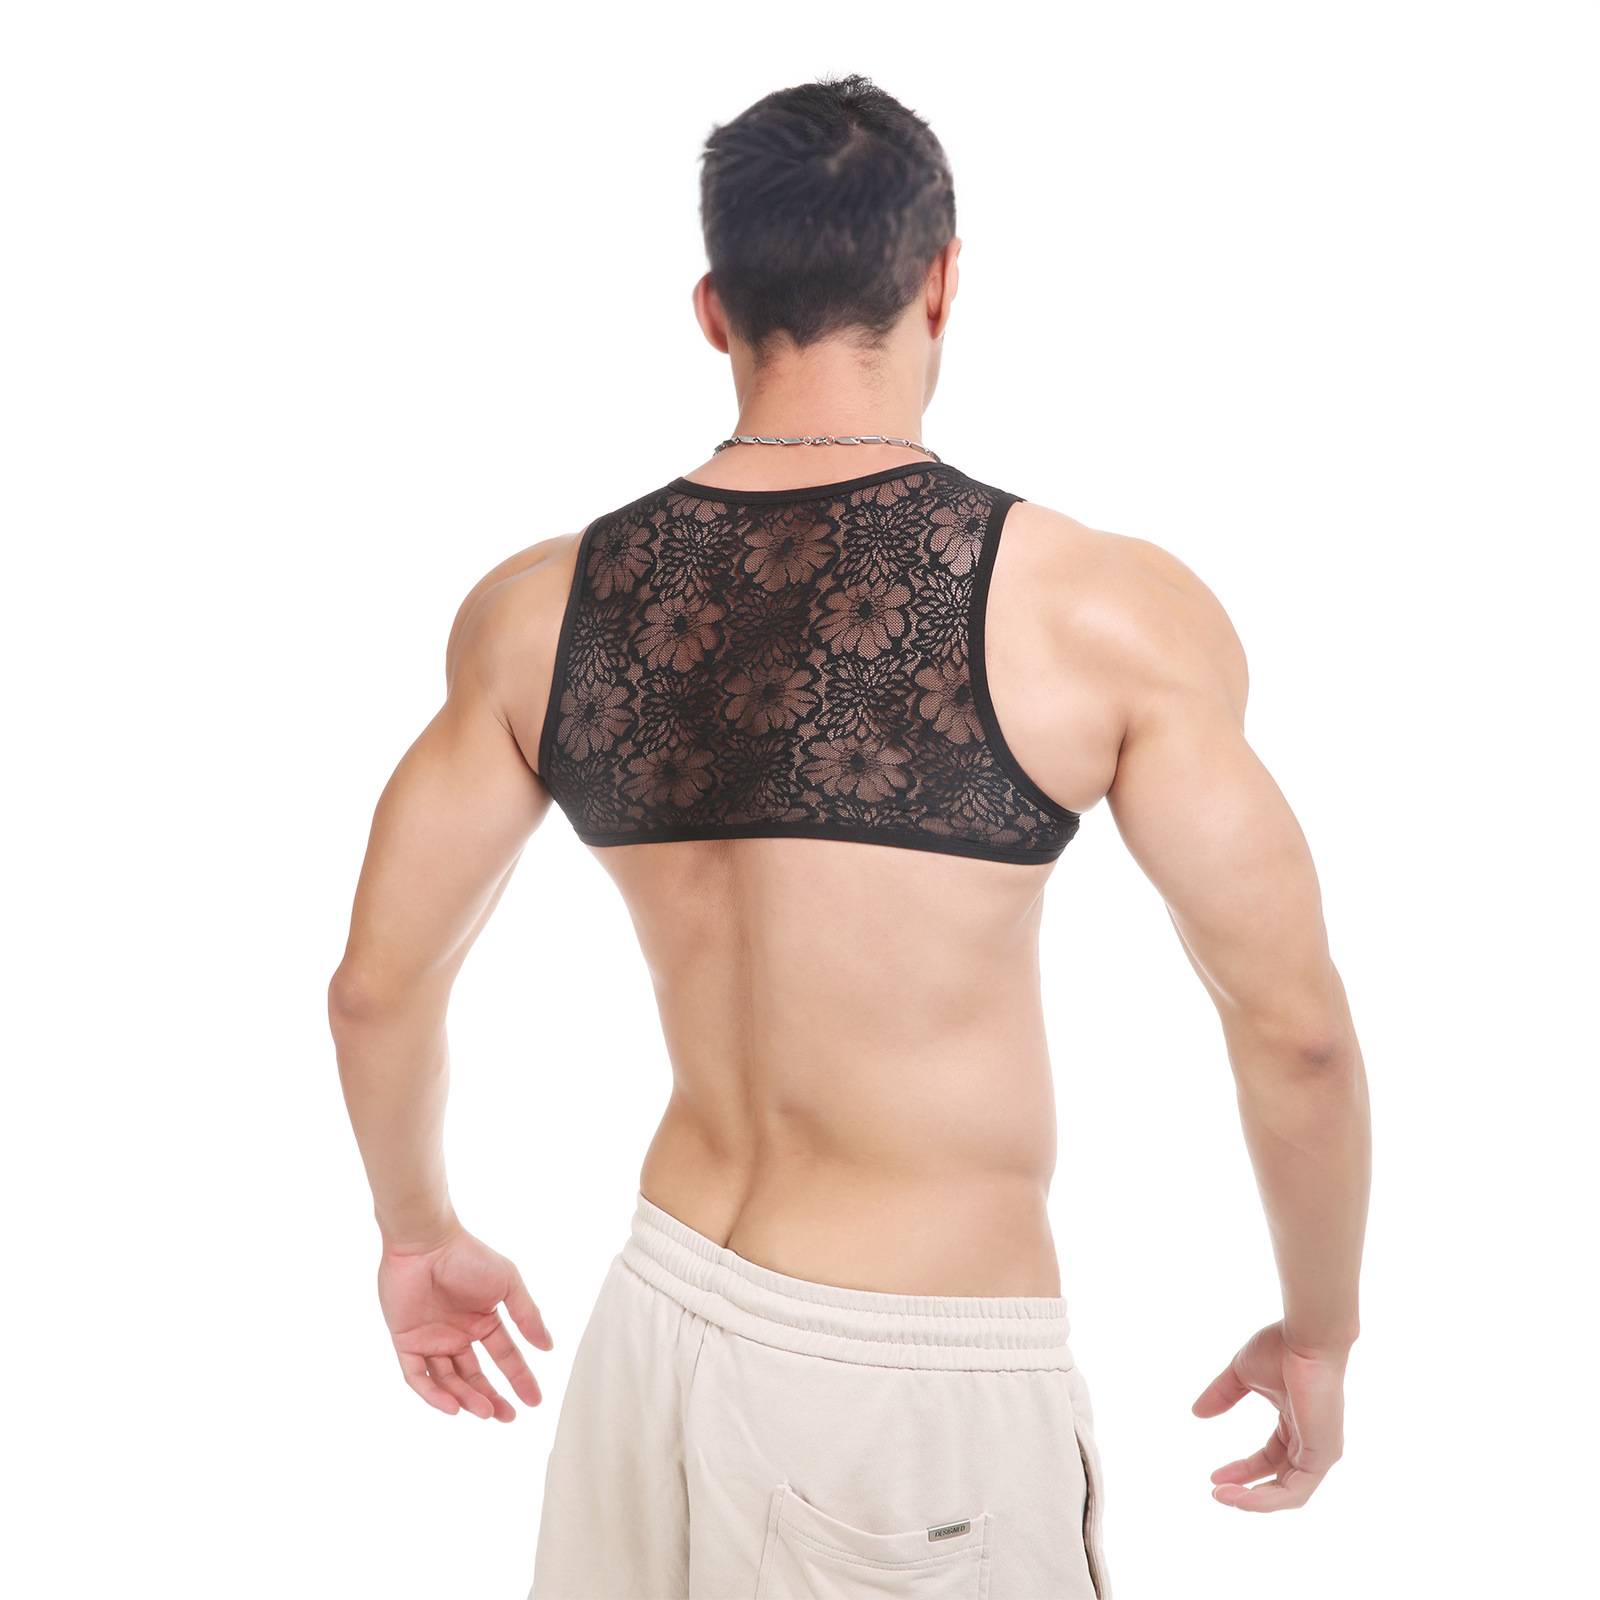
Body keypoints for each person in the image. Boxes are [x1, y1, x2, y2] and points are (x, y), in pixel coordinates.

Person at [329, 72, 1370, 1600]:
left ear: (713, 309)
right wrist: (1320, 1330)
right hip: (903, 1395)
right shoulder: (1102, 615)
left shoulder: (538, 612)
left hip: (654, 1329)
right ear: (941, 281)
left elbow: (375, 991)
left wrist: (416, 1235)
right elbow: (1297, 1035)